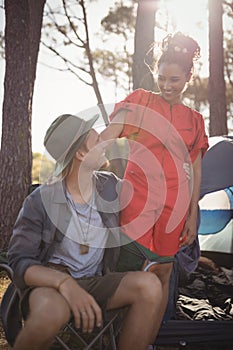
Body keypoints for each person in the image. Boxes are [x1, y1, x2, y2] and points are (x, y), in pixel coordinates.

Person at [8, 113, 163, 350]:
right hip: (50, 285)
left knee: (149, 285)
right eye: (95, 140)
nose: (104, 143)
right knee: (50, 312)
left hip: (97, 282)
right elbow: (20, 262)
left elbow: (148, 194)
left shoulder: (110, 187)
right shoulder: (40, 200)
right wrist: (64, 283)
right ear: (80, 154)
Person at [101, 32, 209, 329]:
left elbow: (195, 171)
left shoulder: (194, 120)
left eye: (174, 80)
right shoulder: (139, 101)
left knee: (162, 271)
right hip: (137, 198)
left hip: (175, 206)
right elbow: (109, 136)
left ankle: (149, 336)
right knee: (128, 268)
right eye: (161, 78)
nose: (166, 86)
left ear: (188, 77)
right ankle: (115, 331)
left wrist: (191, 215)